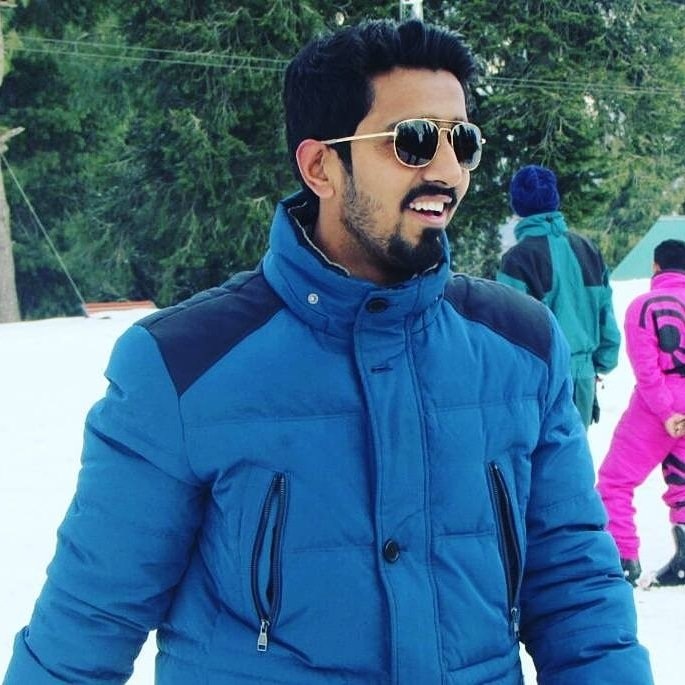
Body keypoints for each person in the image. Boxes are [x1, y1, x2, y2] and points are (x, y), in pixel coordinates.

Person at [3, 19, 653, 685]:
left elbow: (577, 592)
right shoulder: (182, 365)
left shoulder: (520, 345)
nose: (446, 171)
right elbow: (86, 626)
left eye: (461, 141)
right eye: (412, 141)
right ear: (320, 166)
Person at [496, 165, 621, 429]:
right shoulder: (589, 250)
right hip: (584, 377)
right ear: (555, 200)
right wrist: (600, 363)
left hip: (539, 381)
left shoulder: (517, 260)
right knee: (575, 451)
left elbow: (510, 331)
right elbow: (606, 318)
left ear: (517, 206)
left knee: (538, 453)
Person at [597, 238, 685, 588]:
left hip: (657, 406)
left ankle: (623, 561)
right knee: (682, 482)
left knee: (615, 481)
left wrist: (666, 412)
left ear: (655, 267)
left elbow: (647, 370)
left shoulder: (644, 306)